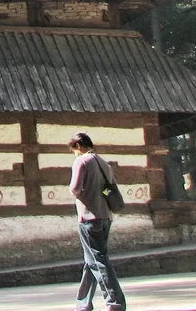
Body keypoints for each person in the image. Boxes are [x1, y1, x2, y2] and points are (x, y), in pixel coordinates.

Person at [69, 132, 126, 311]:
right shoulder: (104, 164)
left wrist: (83, 193)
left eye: (74, 150)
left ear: (78, 146)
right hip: (105, 217)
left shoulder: (81, 161)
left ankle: (115, 302)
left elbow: (75, 189)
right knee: (91, 260)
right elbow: (108, 190)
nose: (74, 154)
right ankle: (83, 303)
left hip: (88, 217)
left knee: (98, 260)